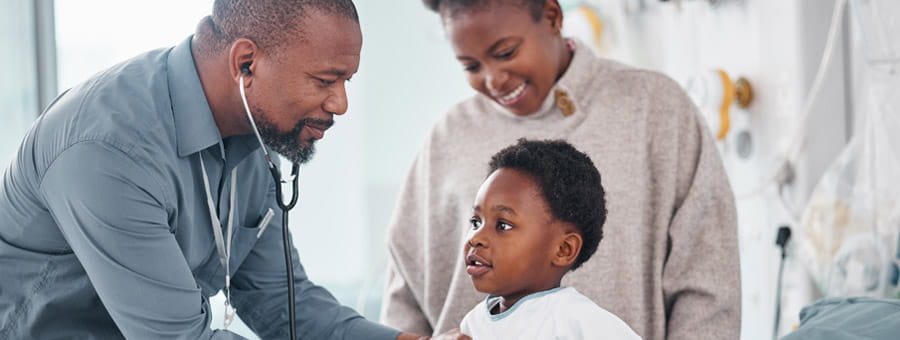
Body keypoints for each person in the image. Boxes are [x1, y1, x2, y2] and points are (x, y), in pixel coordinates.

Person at [0, 1, 461, 339]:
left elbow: (282, 302)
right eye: (325, 81)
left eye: (346, 81)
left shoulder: (258, 133)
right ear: (246, 63)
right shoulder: (108, 150)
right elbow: (180, 338)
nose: (339, 103)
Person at [380, 0, 741, 339]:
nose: (494, 80)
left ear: (552, 16)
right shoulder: (449, 136)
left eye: (506, 53)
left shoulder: (655, 109)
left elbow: (708, 285)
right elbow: (405, 294)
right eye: (471, 66)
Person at [460, 139, 641, 339]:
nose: (476, 237)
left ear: (563, 249)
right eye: (476, 222)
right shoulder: (472, 324)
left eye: (503, 225)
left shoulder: (582, 323)